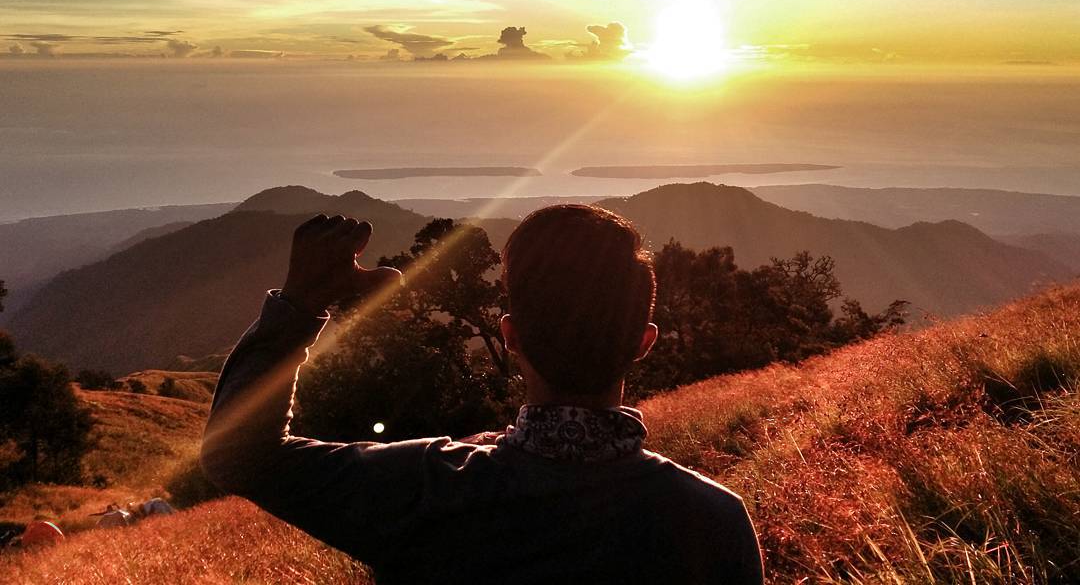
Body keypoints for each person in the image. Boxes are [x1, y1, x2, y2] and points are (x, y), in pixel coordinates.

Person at [202, 207, 764, 584]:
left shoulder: (423, 489)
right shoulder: (713, 521)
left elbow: (238, 454)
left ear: (510, 336)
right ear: (644, 343)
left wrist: (299, 306)